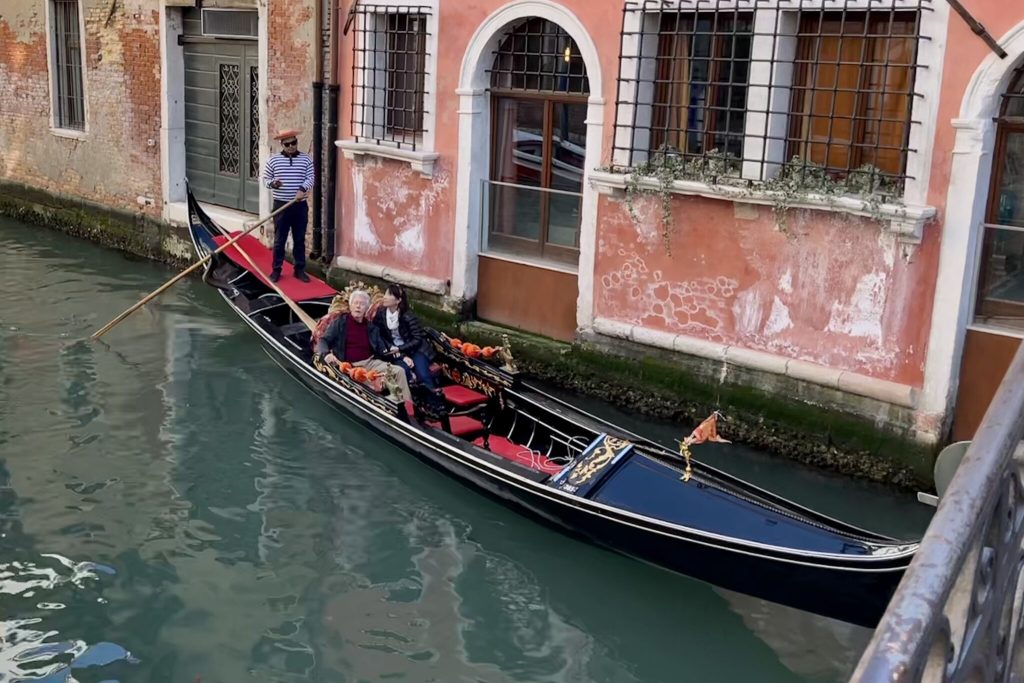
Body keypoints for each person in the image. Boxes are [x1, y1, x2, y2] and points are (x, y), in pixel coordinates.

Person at [314, 289, 412, 403]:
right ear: (351, 306)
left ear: (366, 309)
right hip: (350, 366)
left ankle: (407, 407)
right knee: (368, 382)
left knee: (399, 371)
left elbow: (384, 347)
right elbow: (323, 340)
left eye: (362, 304)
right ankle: (384, 401)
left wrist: (402, 356)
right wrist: (326, 354)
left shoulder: (371, 327)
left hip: (371, 362)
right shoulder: (340, 322)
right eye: (356, 303)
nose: (358, 307)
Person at [263, 129, 314, 283]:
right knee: (280, 240)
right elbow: (265, 179)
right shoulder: (273, 160)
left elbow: (310, 177)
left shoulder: (306, 159)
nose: (291, 146)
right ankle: (276, 270)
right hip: (281, 205)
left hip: (299, 206)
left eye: (294, 143)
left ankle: (299, 270)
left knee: (299, 239)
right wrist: (274, 183)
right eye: (288, 144)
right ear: (282, 145)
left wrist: (302, 189)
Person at [373, 283, 437, 393]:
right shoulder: (381, 315)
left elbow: (417, 339)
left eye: (388, 295)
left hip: (416, 350)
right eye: (385, 293)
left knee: (423, 374)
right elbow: (380, 337)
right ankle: (411, 400)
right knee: (403, 370)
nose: (384, 297)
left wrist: (401, 349)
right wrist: (401, 355)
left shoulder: (408, 317)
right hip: (394, 351)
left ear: (398, 301)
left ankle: (435, 402)